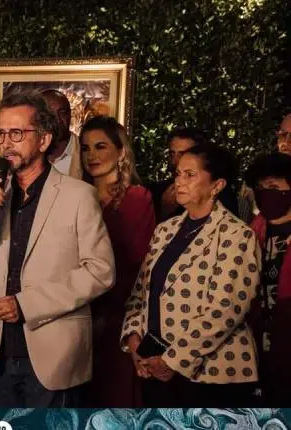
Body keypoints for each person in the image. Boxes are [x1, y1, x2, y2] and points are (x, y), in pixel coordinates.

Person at [0, 89, 115, 407]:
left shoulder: (78, 195)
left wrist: (26, 304)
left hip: (54, 353)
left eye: (17, 133)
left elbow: (101, 272)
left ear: (43, 140)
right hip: (0, 351)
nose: (7, 143)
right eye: (1, 134)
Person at [121, 143, 261, 407]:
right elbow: (140, 294)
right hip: (154, 367)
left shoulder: (236, 234)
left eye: (190, 175)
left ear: (217, 185)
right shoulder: (165, 229)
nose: (179, 182)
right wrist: (134, 340)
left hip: (212, 376)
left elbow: (226, 309)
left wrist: (173, 361)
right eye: (177, 174)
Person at [79, 116, 155, 407]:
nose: (92, 155)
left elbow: (137, 263)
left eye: (100, 146)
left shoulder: (137, 197)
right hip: (76, 311)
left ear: (121, 151)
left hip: (118, 316)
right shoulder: (76, 195)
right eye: (86, 148)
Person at [245, 153, 291, 406]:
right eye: (260, 188)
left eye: (274, 187)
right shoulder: (250, 233)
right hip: (256, 351)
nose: (266, 194)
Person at [151, 128, 239, 222]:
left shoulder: (223, 196)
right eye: (172, 154)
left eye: (182, 154)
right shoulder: (159, 191)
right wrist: (164, 211)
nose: (174, 161)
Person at [42, 89, 82, 179]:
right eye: (51, 114)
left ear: (70, 115)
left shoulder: (85, 153)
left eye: (62, 113)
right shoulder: (29, 153)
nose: (58, 120)